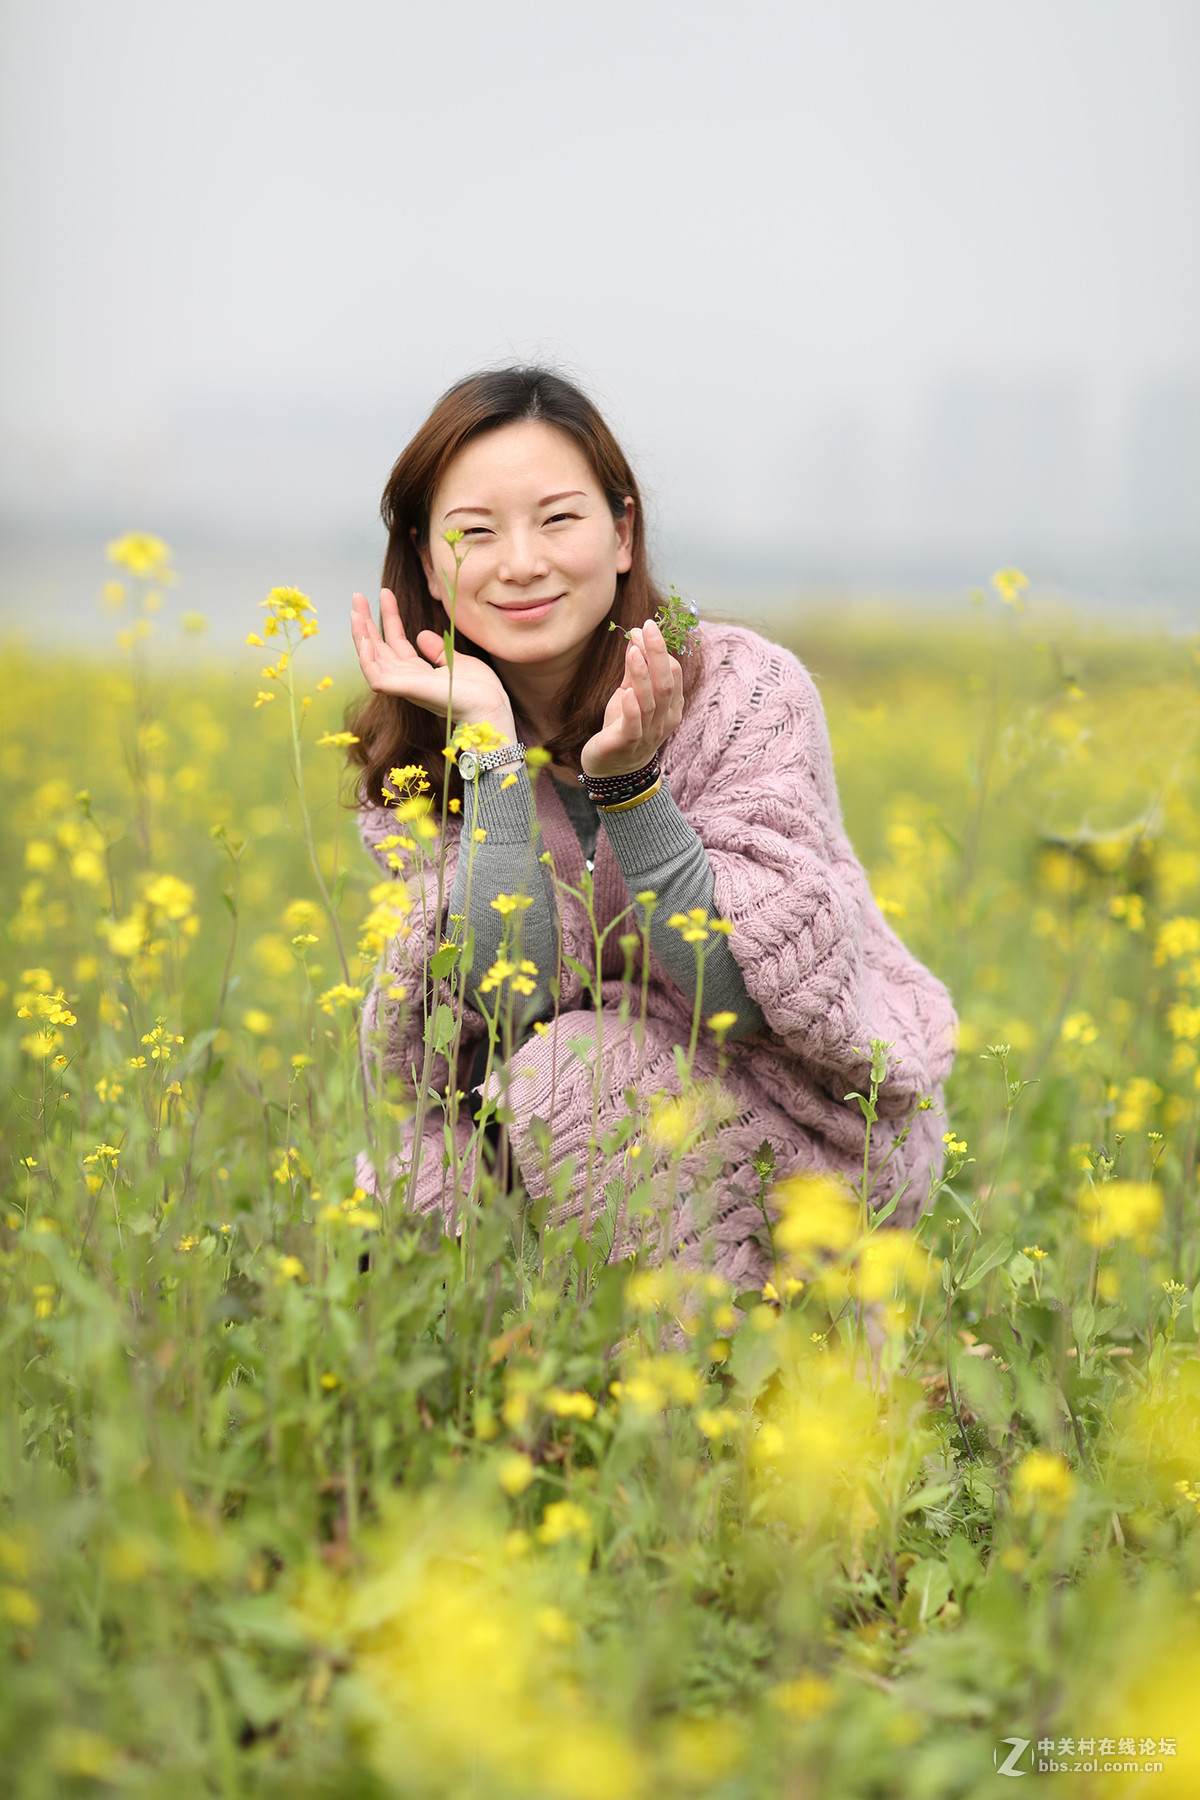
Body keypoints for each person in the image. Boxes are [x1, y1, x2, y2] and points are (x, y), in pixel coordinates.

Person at [348, 366, 955, 1288]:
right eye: (475, 534)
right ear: (431, 565)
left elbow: (742, 1000)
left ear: (622, 533)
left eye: (559, 520)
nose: (519, 562)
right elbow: (506, 1009)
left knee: (578, 1079)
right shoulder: (422, 759)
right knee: (399, 1201)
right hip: (557, 1111)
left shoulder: (744, 693)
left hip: (803, 1133)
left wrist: (632, 790)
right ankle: (493, 1411)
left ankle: (718, 1392)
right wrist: (493, 757)